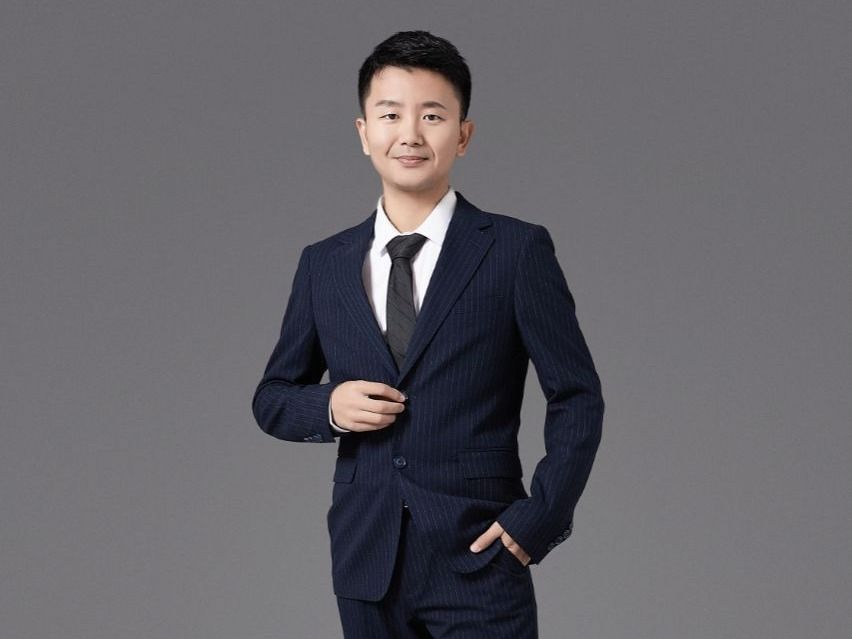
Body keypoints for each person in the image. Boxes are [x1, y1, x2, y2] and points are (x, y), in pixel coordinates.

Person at [251, 30, 604, 638]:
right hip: (367, 558)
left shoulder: (515, 250)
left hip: (481, 554)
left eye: (432, 116)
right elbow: (273, 397)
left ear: (462, 135)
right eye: (390, 115)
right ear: (364, 131)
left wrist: (539, 518)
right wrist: (329, 406)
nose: (410, 134)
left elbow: (577, 395)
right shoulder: (324, 264)